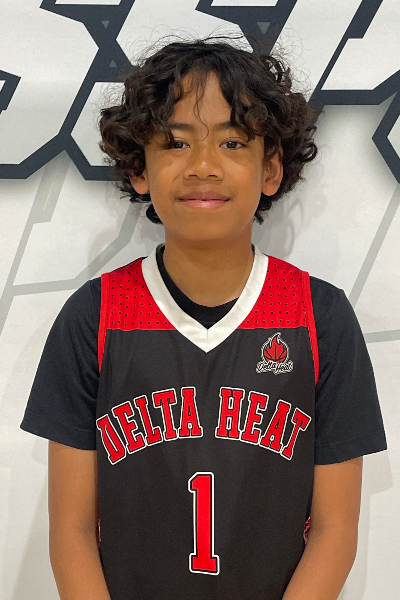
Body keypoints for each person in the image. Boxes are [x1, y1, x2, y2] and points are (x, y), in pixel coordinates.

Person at [20, 33, 387, 600]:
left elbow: (335, 531)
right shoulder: (94, 317)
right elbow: (71, 530)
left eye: (233, 142)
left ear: (271, 169)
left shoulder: (320, 316)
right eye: (175, 142)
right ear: (139, 168)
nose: (203, 166)